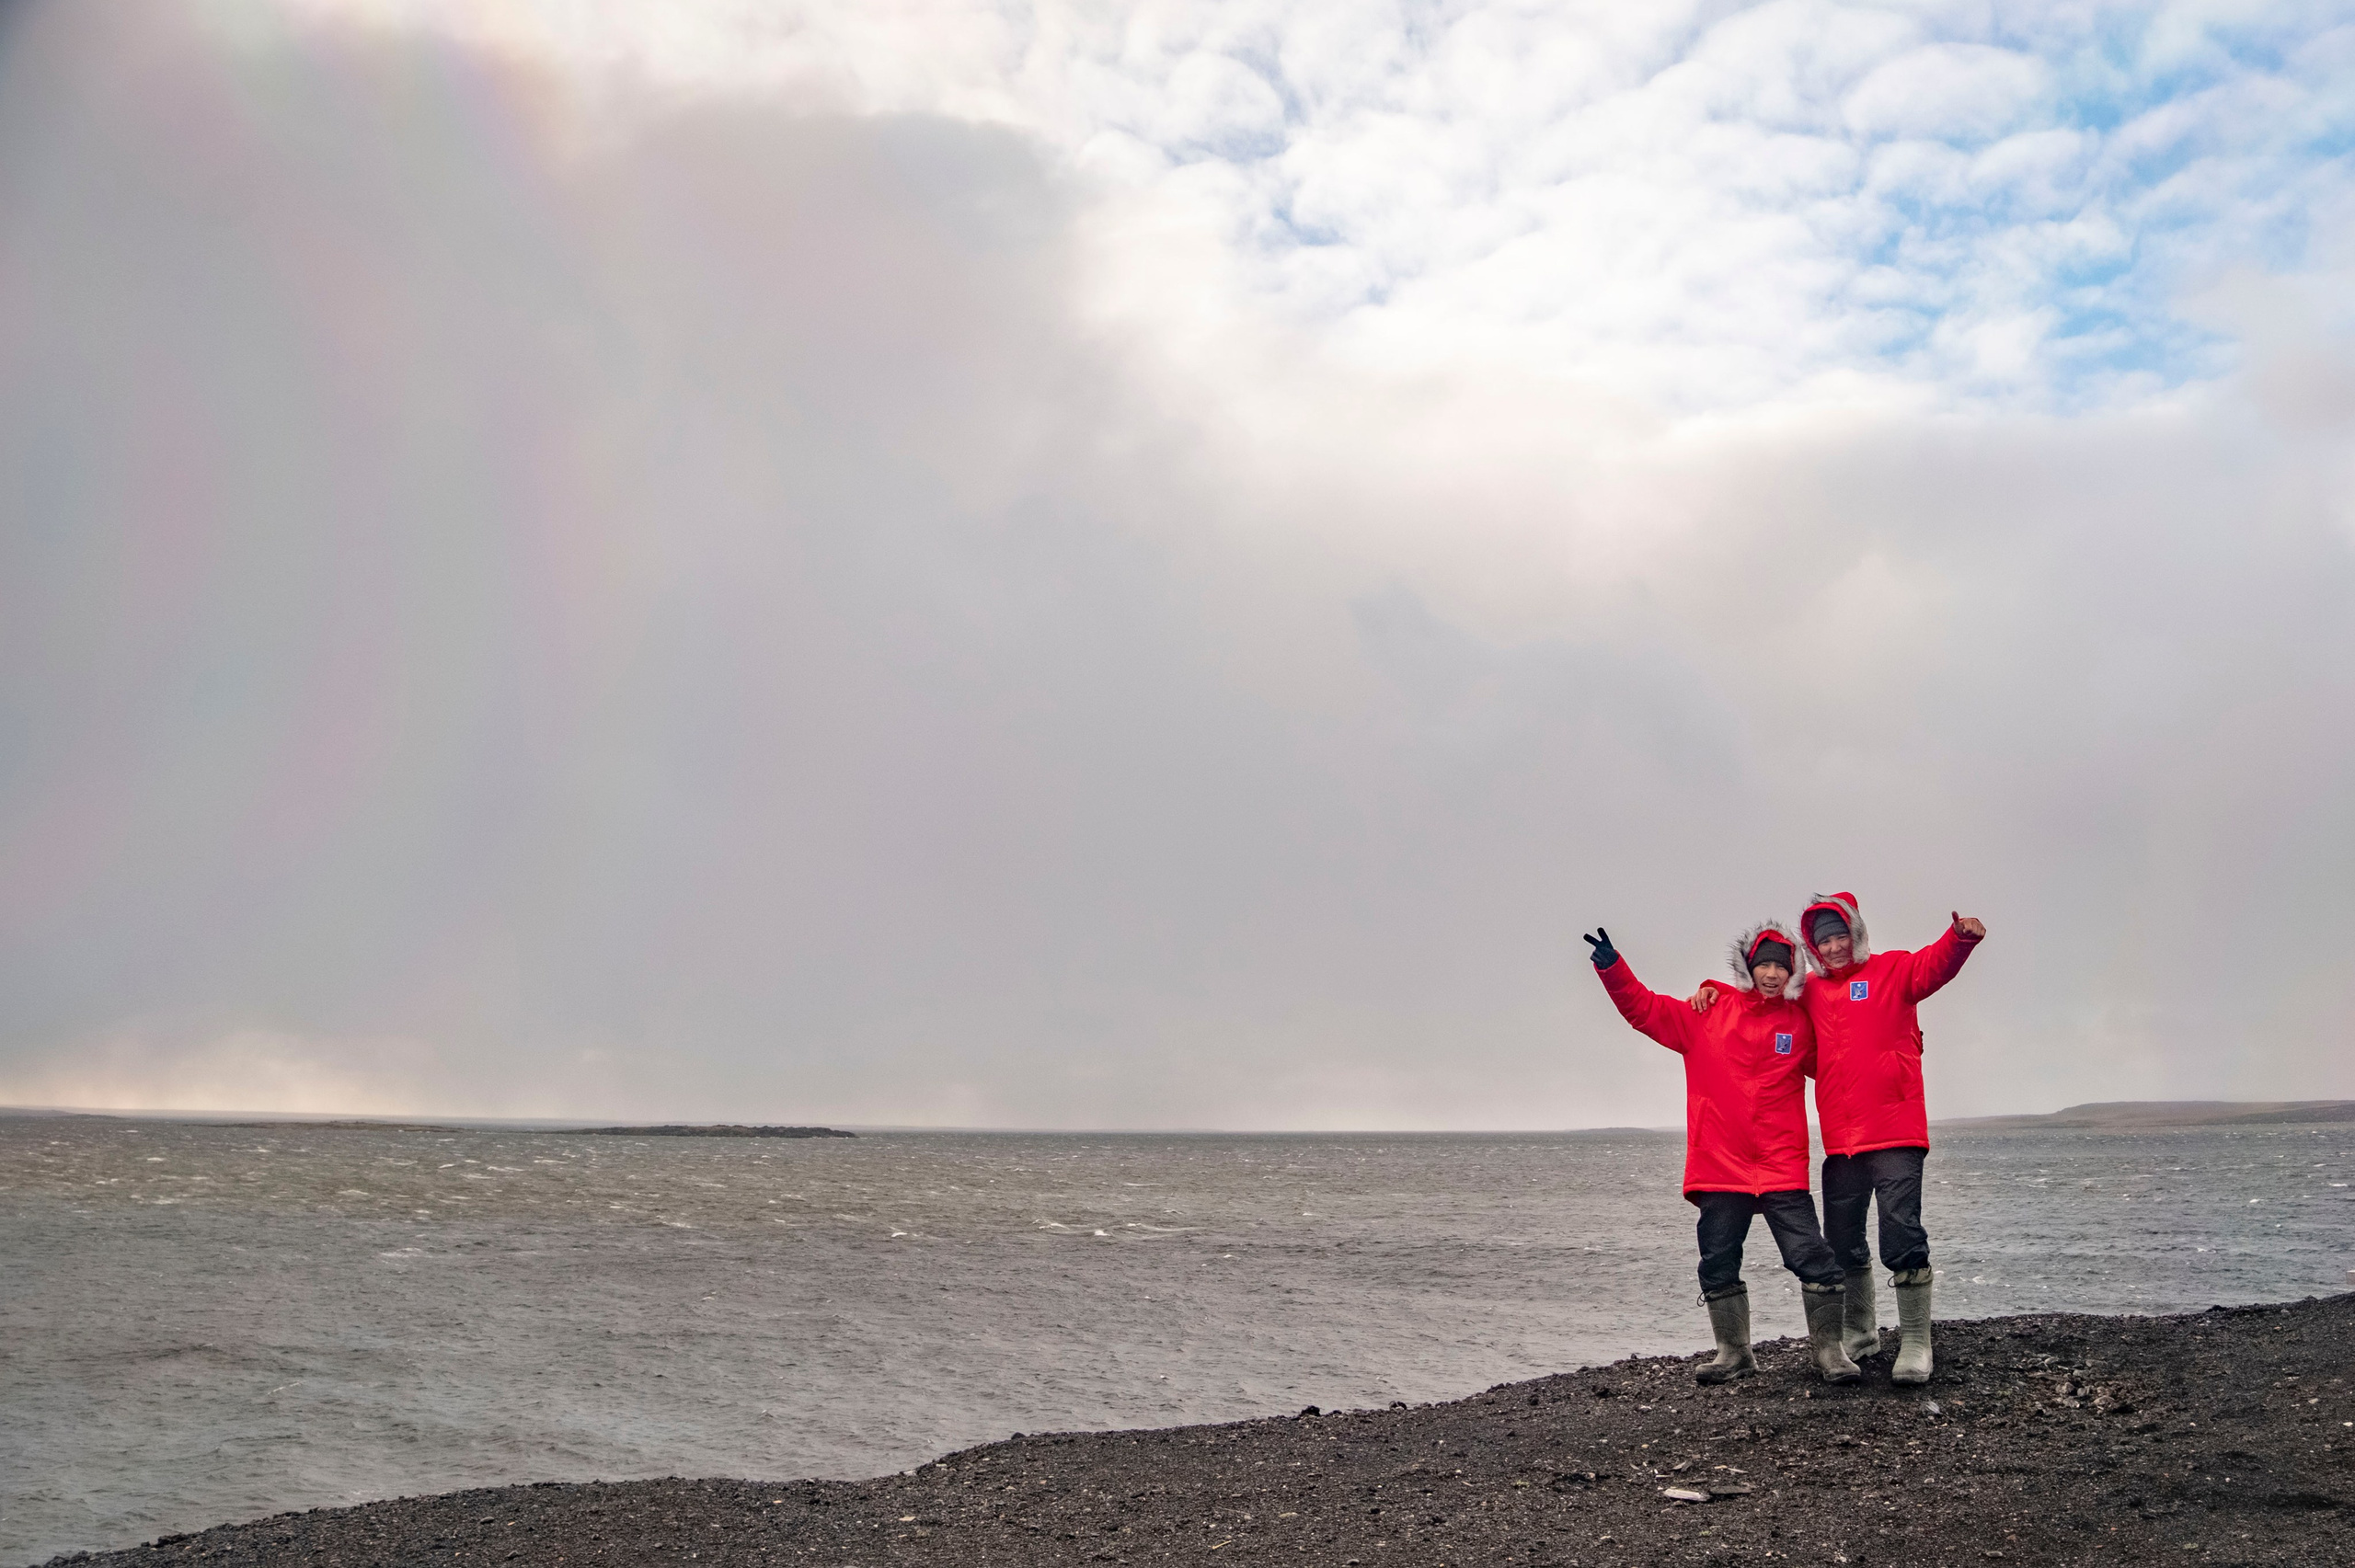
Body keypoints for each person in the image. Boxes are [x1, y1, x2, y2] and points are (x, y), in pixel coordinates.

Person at [1693, 892, 1985, 1385]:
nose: (1832, 947)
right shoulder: (1810, 994)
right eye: (1823, 939)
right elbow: (1761, 998)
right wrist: (1710, 988)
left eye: (1839, 935)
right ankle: (1860, 1334)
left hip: (1895, 1131)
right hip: (1840, 1143)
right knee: (1844, 1242)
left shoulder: (1893, 972)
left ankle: (1916, 1344)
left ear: (1857, 933)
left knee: (1901, 1234)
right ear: (1811, 944)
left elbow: (1932, 967)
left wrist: (1959, 939)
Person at [1584, 921, 1860, 1385]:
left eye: (1780, 965)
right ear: (1748, 969)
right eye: (1763, 965)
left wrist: (1900, 1043)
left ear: (1792, 971)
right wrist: (1613, 968)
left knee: (1813, 1255)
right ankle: (1734, 1353)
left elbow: (1839, 1059)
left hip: (1780, 1162)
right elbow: (1646, 1010)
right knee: (1717, 1258)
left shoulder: (1799, 1022)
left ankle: (1830, 1352)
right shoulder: (1707, 1012)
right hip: (1720, 1162)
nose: (1772, 974)